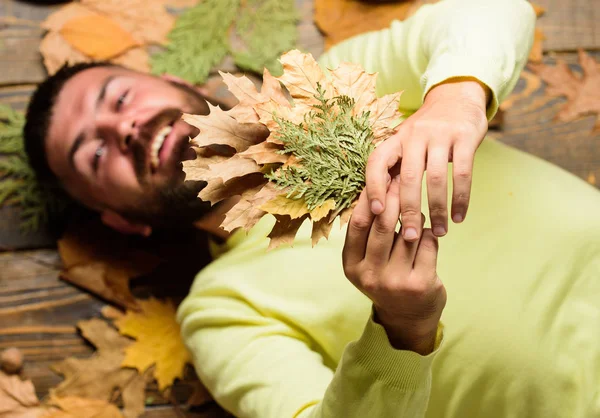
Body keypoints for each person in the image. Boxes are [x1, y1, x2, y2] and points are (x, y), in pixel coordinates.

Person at [23, 0, 600, 416]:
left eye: (117, 97)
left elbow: (493, 9)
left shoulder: (328, 92)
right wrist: (402, 332)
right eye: (94, 153)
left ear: (173, 80)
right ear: (124, 220)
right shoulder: (224, 314)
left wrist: (455, 96)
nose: (121, 128)